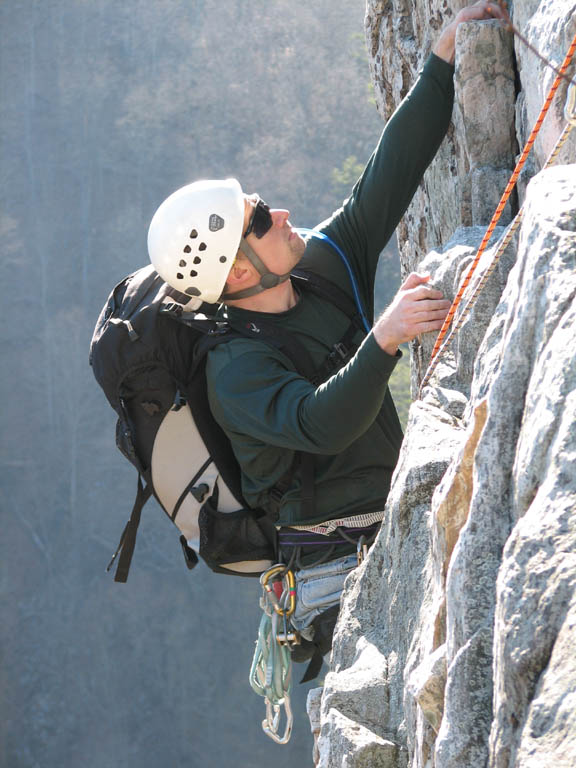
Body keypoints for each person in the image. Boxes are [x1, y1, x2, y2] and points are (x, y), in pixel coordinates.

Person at [148, 0, 505, 661]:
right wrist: (386, 339)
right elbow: (318, 424)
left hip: (396, 518)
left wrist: (440, 64)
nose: (280, 213)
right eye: (260, 221)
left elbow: (384, 183)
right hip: (336, 574)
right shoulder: (235, 371)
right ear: (234, 274)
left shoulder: (321, 264)